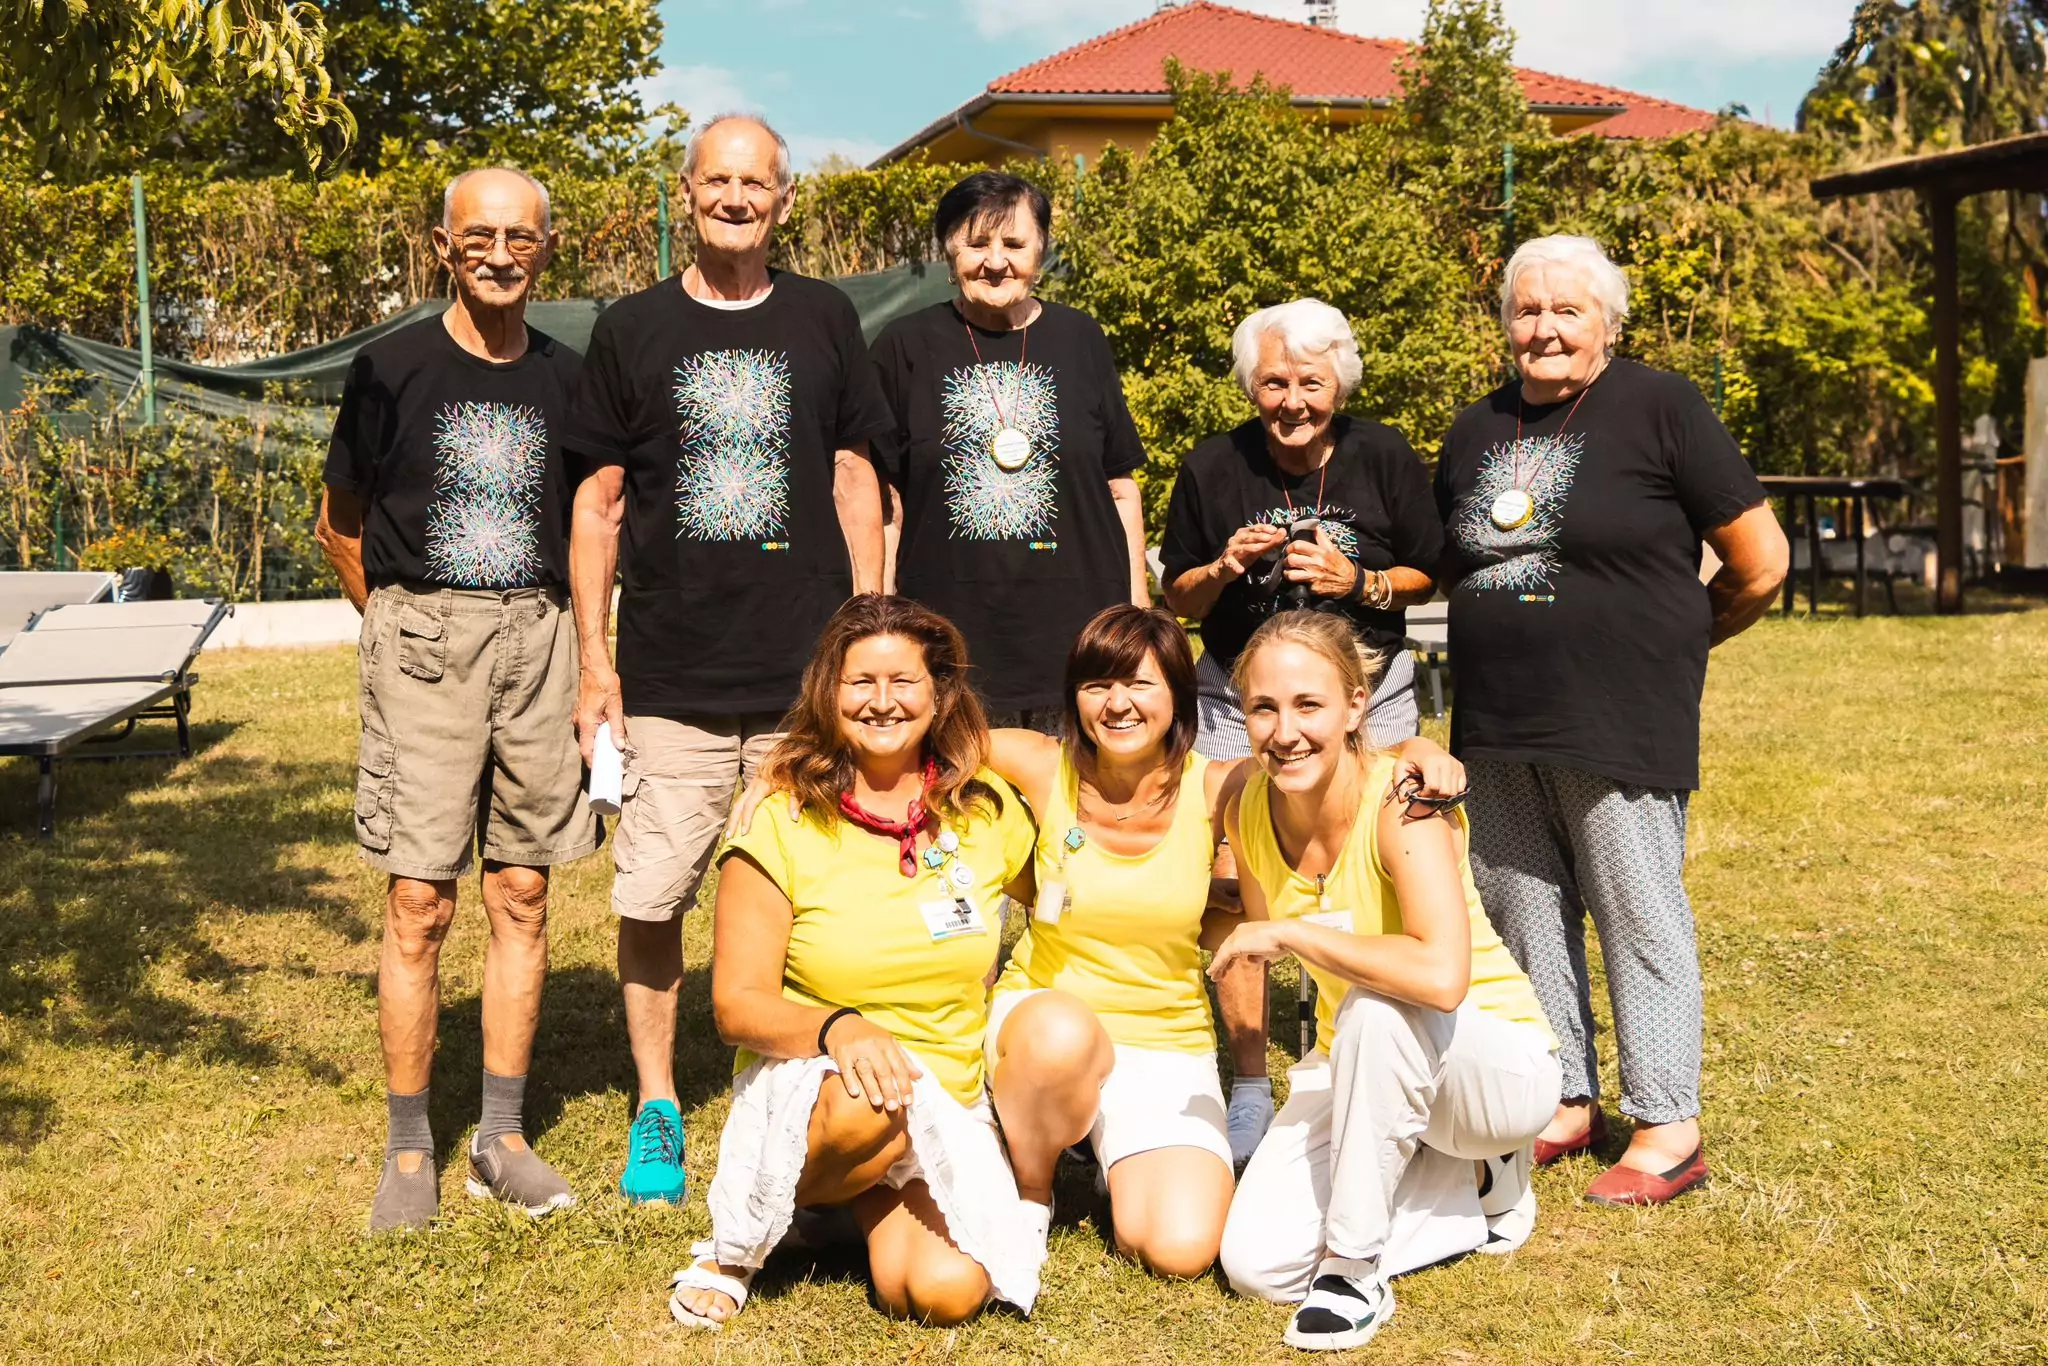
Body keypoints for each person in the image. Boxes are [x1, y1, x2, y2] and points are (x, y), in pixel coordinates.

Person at [729, 604, 1471, 1281]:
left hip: (1162, 1037)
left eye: (1141, 684)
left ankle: (1106, 1147)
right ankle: (1032, 1188)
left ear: (1178, 695)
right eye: (1097, 685)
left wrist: (1415, 747)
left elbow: (1328, 752)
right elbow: (909, 728)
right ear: (1075, 697)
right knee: (1060, 1035)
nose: (1118, 704)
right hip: (1043, 1029)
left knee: (1181, 1248)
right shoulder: (1036, 765)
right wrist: (780, 767)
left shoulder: (1220, 787)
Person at [564, 113, 894, 1206]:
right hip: (674, 677)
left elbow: (855, 479)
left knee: (818, 894)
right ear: (687, 192)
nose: (737, 199)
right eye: (718, 181)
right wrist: (596, 665)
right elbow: (599, 504)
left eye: (757, 183)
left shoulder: (824, 317)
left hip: (805, 680)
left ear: (784, 200)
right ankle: (658, 1104)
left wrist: (867, 633)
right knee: (654, 893)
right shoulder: (631, 328)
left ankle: (799, 1076)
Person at [1433, 234, 1787, 1206]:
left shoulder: (1661, 406)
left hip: (1621, 715)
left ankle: (1667, 1125)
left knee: (1637, 912)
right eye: (1527, 309)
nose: (1544, 328)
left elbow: (1760, 561)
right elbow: (1451, 559)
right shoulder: (1475, 430)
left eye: (1567, 309)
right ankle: (1563, 1098)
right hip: (1498, 720)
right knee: (1521, 908)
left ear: (1608, 323)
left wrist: (1679, 642)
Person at [316, 167, 597, 1232]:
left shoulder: (570, 379)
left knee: (521, 890)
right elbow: (340, 525)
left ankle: (501, 1137)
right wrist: (400, 631)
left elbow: (592, 522)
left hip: (541, 644)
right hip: (424, 643)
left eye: (520, 237)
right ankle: (409, 1148)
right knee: (420, 902)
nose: (498, 253)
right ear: (442, 246)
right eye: (478, 235)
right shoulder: (389, 367)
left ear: (547, 249)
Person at [668, 597, 1044, 1329]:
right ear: (827, 692)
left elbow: (1069, 897)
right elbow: (735, 1005)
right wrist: (840, 1028)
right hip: (824, 1084)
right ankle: (738, 1244)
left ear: (939, 691)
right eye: (860, 682)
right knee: (870, 1103)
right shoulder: (781, 817)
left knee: (945, 1294)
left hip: (946, 1096)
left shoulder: (984, 808)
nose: (882, 701)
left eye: (904, 681)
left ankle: (837, 1209)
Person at [1213, 611, 1561, 1353]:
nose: (1285, 731)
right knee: (1256, 1266)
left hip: (1494, 1068)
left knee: (1378, 1006)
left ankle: (1354, 1270)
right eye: (1263, 707)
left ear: (1355, 706)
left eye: (1308, 705)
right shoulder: (1247, 808)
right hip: (1356, 1062)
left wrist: (1294, 934)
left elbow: (1441, 978)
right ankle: (1473, 1191)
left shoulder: (1404, 802)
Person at [1160, 297, 1445, 1165]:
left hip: (1367, 693)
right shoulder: (1213, 466)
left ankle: (1349, 1052)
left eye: (1311, 384)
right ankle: (1250, 1080)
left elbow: (1429, 573)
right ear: (1251, 386)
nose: (1292, 401)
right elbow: (1178, 596)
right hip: (1236, 697)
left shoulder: (1383, 454)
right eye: (1274, 382)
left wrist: (1357, 581)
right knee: (1228, 880)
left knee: (1368, 864)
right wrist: (1224, 566)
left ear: (1339, 385)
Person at [870, 171, 1150, 730]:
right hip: (949, 646)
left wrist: (1138, 614)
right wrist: (881, 619)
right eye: (977, 244)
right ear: (949, 251)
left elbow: (1119, 487)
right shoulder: (905, 346)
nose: (996, 262)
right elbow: (886, 503)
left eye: (1015, 244)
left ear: (1040, 251)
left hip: (1080, 646)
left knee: (1075, 787)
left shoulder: (1080, 338)